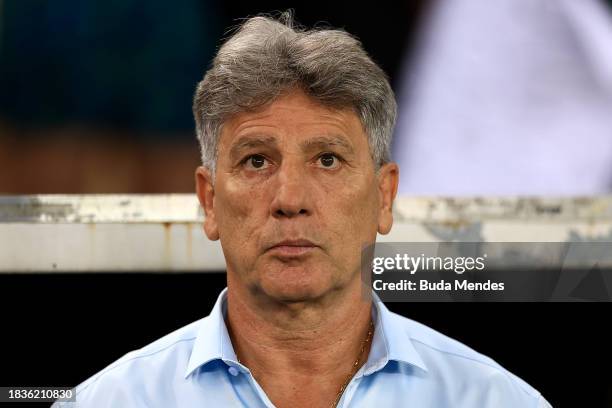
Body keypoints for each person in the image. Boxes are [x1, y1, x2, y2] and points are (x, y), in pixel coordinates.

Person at [55, 13, 552, 408]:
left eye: (328, 160)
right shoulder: (112, 401)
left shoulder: (492, 400)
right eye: (256, 161)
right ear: (209, 201)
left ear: (384, 196)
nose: (289, 199)